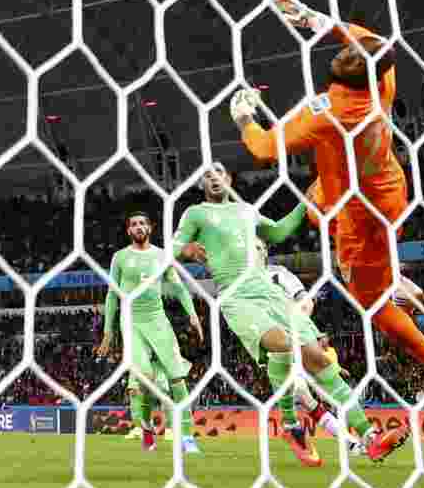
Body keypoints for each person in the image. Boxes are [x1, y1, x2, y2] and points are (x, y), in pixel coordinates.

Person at [229, 0, 424, 397]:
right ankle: (389, 275)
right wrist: (312, 19)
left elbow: (263, 149)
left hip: (361, 215)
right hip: (381, 186)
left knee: (373, 307)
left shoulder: (331, 111)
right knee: (312, 203)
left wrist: (244, 120)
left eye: (351, 55)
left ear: (353, 75)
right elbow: (371, 39)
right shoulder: (381, 79)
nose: (346, 51)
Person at [173, 163, 407, 466]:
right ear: (201, 182)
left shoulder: (246, 210)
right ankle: (292, 422)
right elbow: (174, 247)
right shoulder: (196, 213)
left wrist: (305, 203)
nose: (214, 178)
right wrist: (187, 249)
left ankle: (369, 437)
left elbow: (279, 231)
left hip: (272, 295)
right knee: (285, 345)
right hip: (237, 297)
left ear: (229, 178)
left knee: (320, 359)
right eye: (207, 174)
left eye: (219, 172)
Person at [99, 211, 203, 454]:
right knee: (144, 376)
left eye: (142, 223)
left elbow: (179, 287)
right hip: (131, 322)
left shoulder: (161, 256)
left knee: (177, 377)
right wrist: (108, 331)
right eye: (133, 224)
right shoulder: (120, 258)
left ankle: (187, 437)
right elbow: (112, 295)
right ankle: (146, 430)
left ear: (150, 228)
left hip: (158, 321)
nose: (138, 227)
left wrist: (192, 314)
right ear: (128, 230)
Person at [266, 258, 364, 454]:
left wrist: (303, 328)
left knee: (311, 392)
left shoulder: (278, 273)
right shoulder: (241, 279)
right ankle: (351, 441)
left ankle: (358, 437)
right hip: (272, 342)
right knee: (303, 396)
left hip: (296, 338)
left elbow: (306, 302)